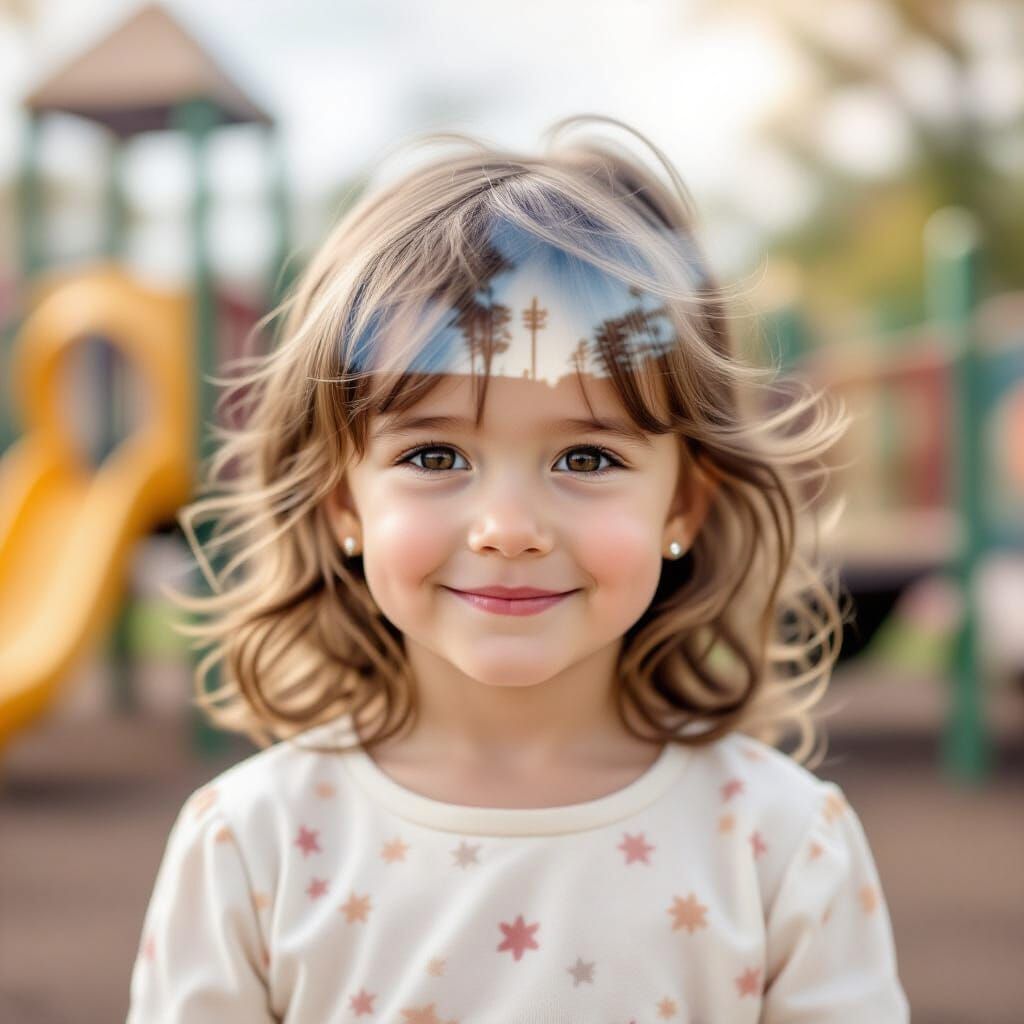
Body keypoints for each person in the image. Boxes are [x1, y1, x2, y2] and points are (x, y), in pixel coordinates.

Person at [126, 113, 910, 1022]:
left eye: (585, 460)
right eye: (433, 457)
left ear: (684, 506)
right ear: (345, 503)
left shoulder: (780, 846)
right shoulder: (251, 846)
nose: (507, 528)